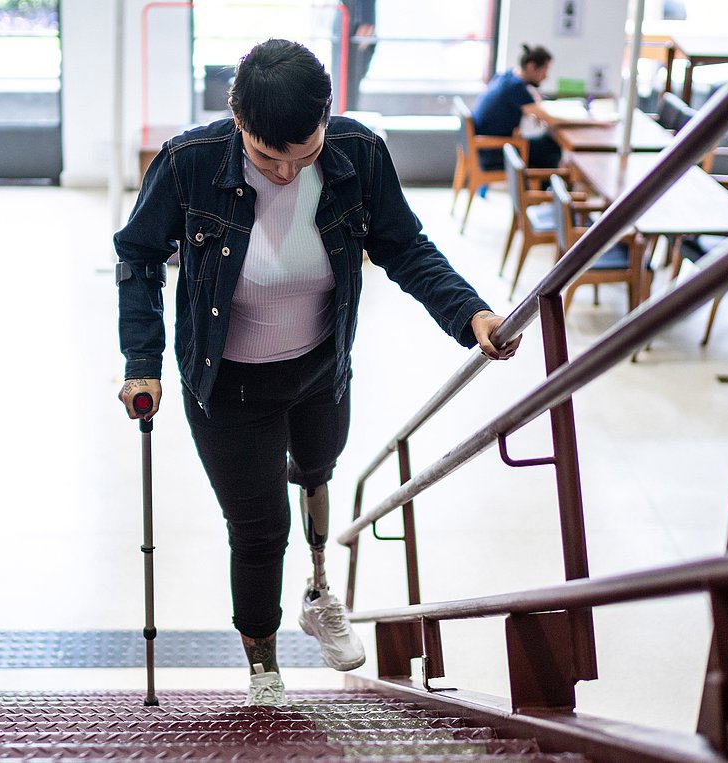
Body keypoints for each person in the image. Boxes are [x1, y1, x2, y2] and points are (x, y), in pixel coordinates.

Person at [115, 39, 521, 706]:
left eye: (301, 155)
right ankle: (264, 666)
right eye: (266, 156)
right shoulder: (189, 162)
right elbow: (137, 255)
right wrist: (142, 362)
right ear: (235, 117)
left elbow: (404, 245)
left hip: (319, 371)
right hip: (228, 387)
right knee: (258, 530)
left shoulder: (358, 154)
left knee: (316, 469)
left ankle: (318, 587)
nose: (284, 172)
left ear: (327, 119)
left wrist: (469, 313)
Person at [471, 43, 563, 171]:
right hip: (493, 151)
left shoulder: (507, 76)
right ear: (531, 67)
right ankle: (542, 189)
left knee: (543, 144)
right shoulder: (516, 87)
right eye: (545, 70)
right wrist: (589, 123)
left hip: (483, 146)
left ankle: (540, 187)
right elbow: (549, 119)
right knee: (550, 148)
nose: (546, 76)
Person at [333, 0, 376, 111]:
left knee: (349, 84)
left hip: (355, 24)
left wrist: (366, 21)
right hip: (347, 18)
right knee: (343, 85)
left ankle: (348, 117)